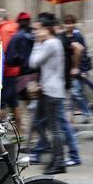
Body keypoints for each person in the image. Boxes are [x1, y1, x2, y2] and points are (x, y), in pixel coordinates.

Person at [29, 13, 66, 175]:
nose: (36, 32)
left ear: (47, 29)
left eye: (39, 29)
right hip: (48, 89)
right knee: (39, 123)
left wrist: (37, 43)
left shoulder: (50, 43)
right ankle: (54, 156)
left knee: (55, 129)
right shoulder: (53, 42)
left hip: (52, 90)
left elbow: (33, 62)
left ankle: (59, 161)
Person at [0, 9, 21, 132]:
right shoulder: (10, 27)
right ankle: (19, 133)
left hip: (5, 72)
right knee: (14, 103)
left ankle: (0, 132)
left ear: (0, 18)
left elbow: (5, 51)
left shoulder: (5, 30)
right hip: (13, 71)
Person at [63, 14, 92, 122]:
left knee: (76, 92)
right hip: (69, 70)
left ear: (74, 24)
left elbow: (84, 54)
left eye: (70, 23)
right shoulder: (64, 36)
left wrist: (83, 70)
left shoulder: (78, 35)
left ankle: (87, 113)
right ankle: (71, 116)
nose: (68, 25)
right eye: (66, 23)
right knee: (75, 92)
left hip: (79, 69)